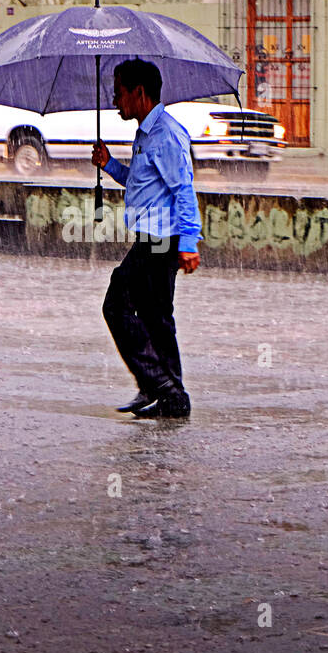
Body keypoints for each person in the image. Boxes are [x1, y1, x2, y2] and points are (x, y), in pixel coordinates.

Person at [90, 59, 201, 419]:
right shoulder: (147, 133)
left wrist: (188, 241)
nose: (115, 99)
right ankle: (170, 393)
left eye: (119, 92)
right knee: (156, 317)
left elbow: (183, 189)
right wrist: (109, 164)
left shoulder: (166, 134)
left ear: (140, 92)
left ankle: (161, 386)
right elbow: (144, 185)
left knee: (116, 303)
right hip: (151, 236)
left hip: (161, 240)